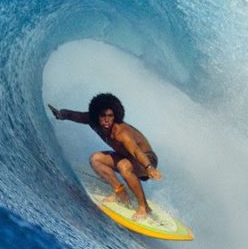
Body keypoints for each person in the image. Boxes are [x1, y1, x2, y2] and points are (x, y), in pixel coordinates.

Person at [48, 93, 163, 221]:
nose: (107, 120)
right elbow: (76, 115)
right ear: (96, 114)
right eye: (103, 116)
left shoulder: (121, 132)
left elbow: (136, 151)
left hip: (146, 159)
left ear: (116, 116)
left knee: (123, 166)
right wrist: (60, 114)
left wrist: (149, 167)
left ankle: (144, 207)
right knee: (95, 159)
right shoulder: (92, 120)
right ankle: (121, 194)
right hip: (126, 157)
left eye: (110, 116)